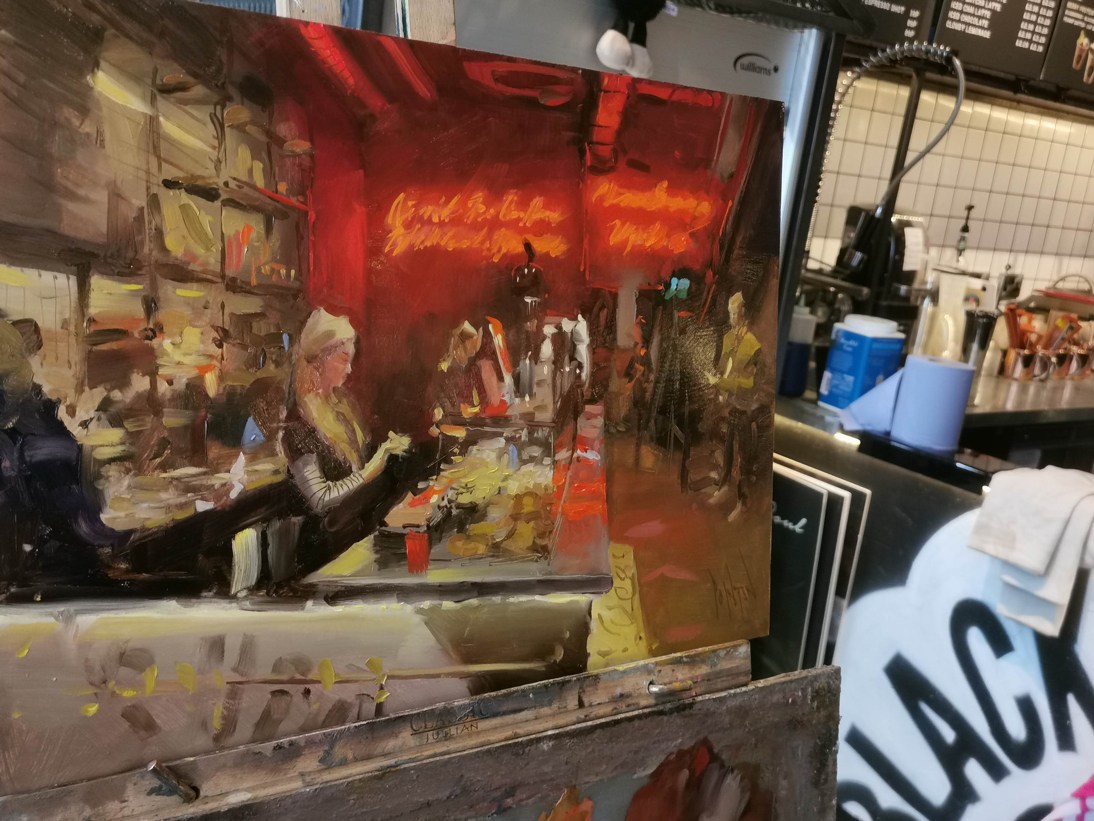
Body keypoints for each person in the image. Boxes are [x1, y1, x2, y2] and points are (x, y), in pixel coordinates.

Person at [281, 308, 410, 569]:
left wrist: (385, 452)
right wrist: (370, 471)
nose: (350, 369)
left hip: (357, 533)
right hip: (327, 551)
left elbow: (358, 466)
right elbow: (319, 499)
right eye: (343, 360)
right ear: (320, 359)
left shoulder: (343, 404)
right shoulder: (298, 426)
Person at [0, 320, 122, 588]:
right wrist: (118, 532)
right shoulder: (37, 435)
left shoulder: (34, 427)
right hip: (38, 574)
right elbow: (78, 516)